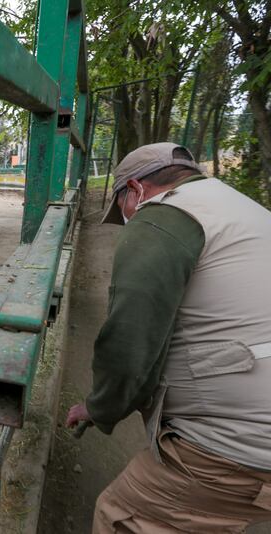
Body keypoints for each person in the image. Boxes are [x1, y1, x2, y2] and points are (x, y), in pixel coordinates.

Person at [65, 142, 271, 532]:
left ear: (136, 190)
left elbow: (129, 341)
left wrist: (99, 407)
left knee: (121, 515)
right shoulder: (240, 208)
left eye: (121, 206)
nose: (126, 217)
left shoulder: (163, 218)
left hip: (237, 446)